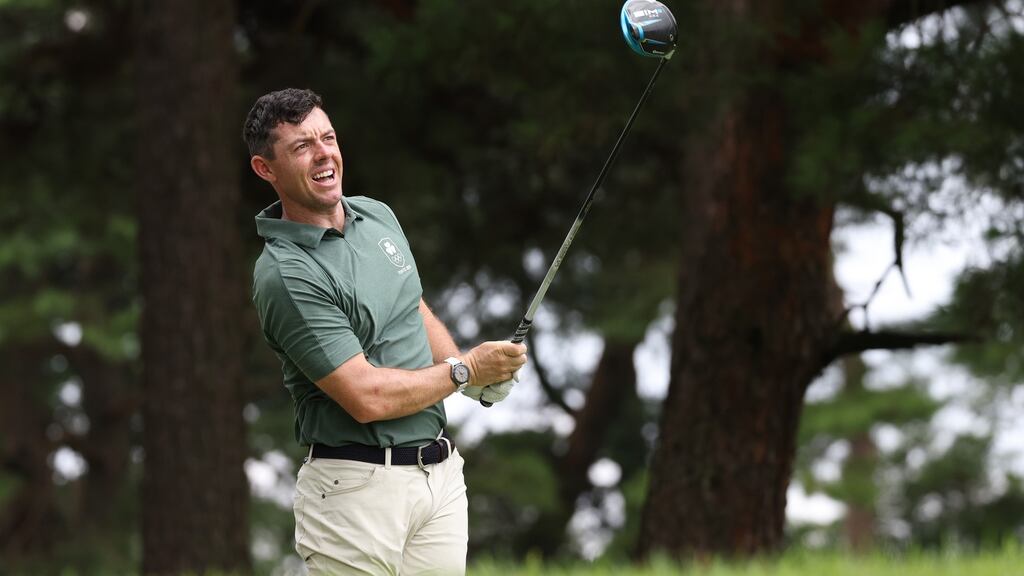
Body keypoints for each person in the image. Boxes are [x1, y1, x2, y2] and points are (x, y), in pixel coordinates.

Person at [243, 88, 526, 575]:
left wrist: (470, 376)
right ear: (266, 169)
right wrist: (463, 372)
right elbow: (365, 396)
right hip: (354, 492)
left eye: (328, 137)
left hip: (438, 478)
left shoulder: (376, 215)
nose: (324, 153)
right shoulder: (286, 273)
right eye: (302, 146)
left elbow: (411, 308)